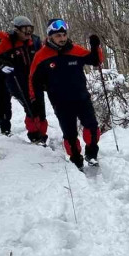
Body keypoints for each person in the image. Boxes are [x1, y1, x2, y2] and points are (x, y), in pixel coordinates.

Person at [29, 19, 103, 169]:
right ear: (50, 36)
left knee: (93, 128)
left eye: (64, 34)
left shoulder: (75, 50)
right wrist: (34, 100)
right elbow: (33, 80)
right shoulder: (41, 56)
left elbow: (95, 61)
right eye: (58, 36)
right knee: (70, 135)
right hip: (61, 103)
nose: (62, 38)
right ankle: (76, 161)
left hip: (82, 98)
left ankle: (91, 154)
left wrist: (96, 46)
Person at [0, 16, 48, 145]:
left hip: (35, 80)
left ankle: (42, 134)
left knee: (40, 109)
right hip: (17, 82)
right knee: (30, 108)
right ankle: (34, 135)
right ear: (16, 30)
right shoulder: (8, 42)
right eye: (25, 29)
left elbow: (46, 54)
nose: (28, 33)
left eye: (30, 29)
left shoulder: (35, 41)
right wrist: (0, 63)